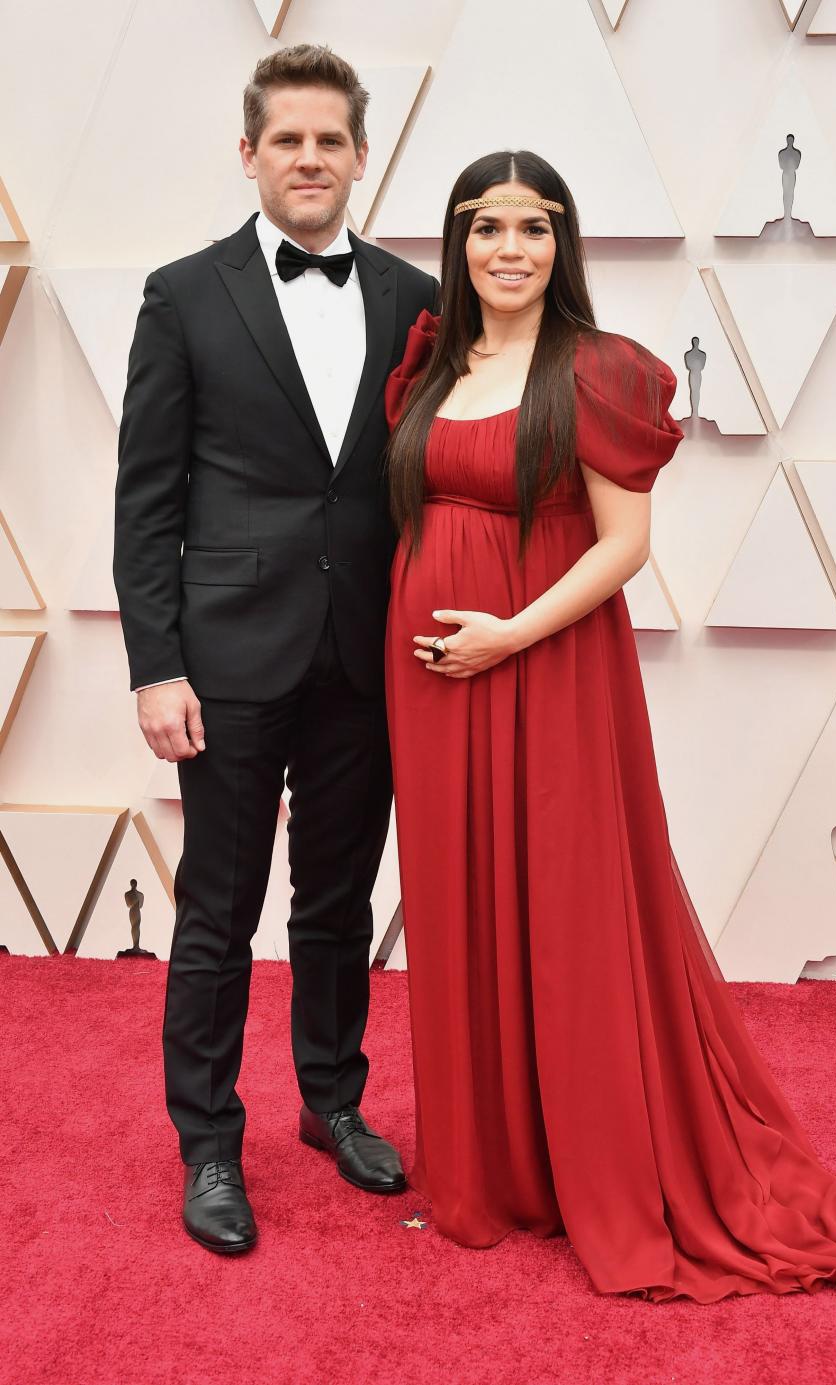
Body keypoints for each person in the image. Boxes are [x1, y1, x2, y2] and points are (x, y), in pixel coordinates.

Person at [383, 149, 836, 1309]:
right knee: (461, 901)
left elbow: (623, 545)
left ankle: (587, 1155)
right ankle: (490, 1169)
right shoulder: (430, 364)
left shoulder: (597, 370)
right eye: (486, 225)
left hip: (547, 668)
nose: (509, 248)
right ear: (457, 239)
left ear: (564, 241)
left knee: (565, 902)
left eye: (534, 227)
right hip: (436, 687)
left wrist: (509, 633)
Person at [114, 44, 438, 1254]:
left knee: (339, 903)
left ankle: (333, 1100)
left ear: (361, 155)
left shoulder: (415, 298)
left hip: (364, 653)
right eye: (287, 140)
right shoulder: (182, 295)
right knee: (217, 908)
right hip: (227, 658)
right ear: (248, 154)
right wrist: (156, 664)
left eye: (331, 140)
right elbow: (147, 498)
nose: (311, 159)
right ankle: (208, 1143)